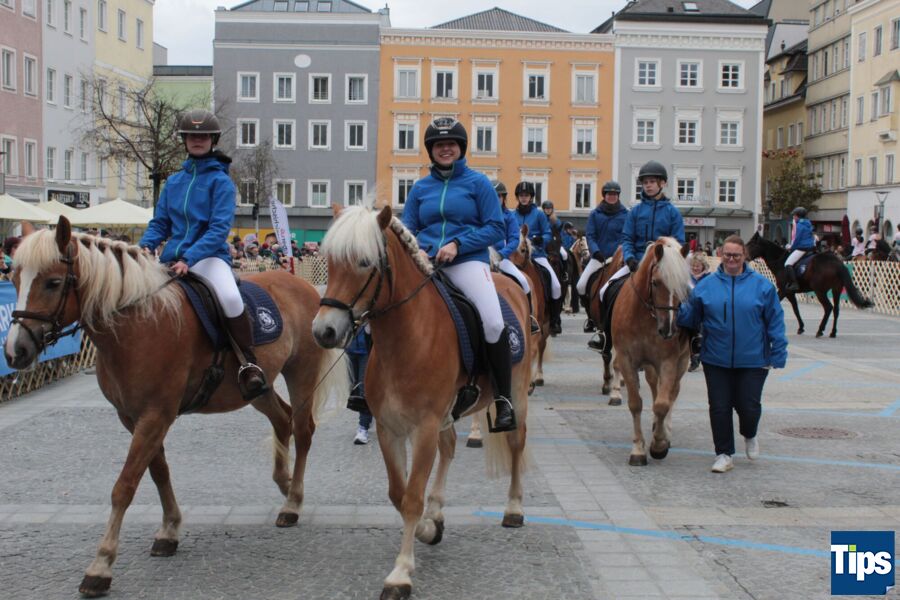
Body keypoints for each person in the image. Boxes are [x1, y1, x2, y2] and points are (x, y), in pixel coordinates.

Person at [140, 109, 268, 400]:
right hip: (172, 258)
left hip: (209, 257)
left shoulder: (221, 182)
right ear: (184, 140)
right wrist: (144, 247)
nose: (197, 140)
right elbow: (160, 223)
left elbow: (218, 228)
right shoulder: (173, 183)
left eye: (203, 136)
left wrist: (190, 258)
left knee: (231, 297)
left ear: (213, 140)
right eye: (191, 136)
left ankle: (248, 363)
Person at [401, 117, 516, 432]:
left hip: (466, 261)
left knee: (493, 322)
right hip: (425, 262)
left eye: (451, 144)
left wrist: (458, 244)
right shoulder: (420, 188)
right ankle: (367, 386)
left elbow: (496, 227)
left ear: (461, 148)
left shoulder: (478, 183)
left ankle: (503, 400)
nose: (445, 149)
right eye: (439, 145)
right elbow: (408, 226)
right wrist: (416, 248)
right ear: (431, 150)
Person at [678, 235, 787, 473]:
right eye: (727, 255)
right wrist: (677, 308)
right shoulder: (706, 286)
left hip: (753, 359)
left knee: (749, 407)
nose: (731, 259)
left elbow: (775, 321)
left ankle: (750, 433)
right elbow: (691, 318)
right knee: (719, 407)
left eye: (736, 255)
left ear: (744, 256)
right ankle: (724, 453)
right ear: (721, 255)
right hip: (716, 358)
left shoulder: (762, 286)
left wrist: (778, 351)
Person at [595, 161, 684, 351]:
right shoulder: (635, 211)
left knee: (692, 293)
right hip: (637, 263)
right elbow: (627, 238)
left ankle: (692, 339)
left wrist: (670, 263)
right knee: (605, 291)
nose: (648, 186)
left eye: (652, 182)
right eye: (645, 182)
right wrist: (629, 257)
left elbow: (679, 241)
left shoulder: (673, 213)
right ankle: (604, 335)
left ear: (662, 183)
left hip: (664, 267)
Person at [513, 182, 564, 335]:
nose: (524, 198)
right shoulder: (512, 215)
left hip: (537, 255)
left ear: (531, 197)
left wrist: (541, 239)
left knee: (556, 286)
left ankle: (554, 320)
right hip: (517, 256)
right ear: (518, 197)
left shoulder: (539, 214)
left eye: (526, 195)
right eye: (521, 195)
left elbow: (548, 233)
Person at [577, 181, 627, 334]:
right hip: (599, 257)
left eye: (614, 194)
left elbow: (626, 235)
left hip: (618, 258)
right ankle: (591, 318)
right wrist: (596, 251)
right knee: (581, 285)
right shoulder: (595, 214)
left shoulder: (626, 214)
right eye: (609, 194)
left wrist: (619, 251)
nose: (612, 196)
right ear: (604, 196)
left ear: (618, 196)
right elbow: (590, 235)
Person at [492, 180, 537, 334]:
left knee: (523, 281)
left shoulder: (509, 217)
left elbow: (514, 240)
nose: (496, 199)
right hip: (483, 257)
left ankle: (530, 318)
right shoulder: (481, 215)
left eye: (499, 196)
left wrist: (501, 254)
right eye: (493, 196)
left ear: (504, 198)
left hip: (501, 258)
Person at [346, 325, 374, 445]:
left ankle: (363, 428)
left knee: (364, 390)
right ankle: (369, 413)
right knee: (353, 389)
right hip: (349, 350)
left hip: (366, 352)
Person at [687, 253, 710, 372]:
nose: (695, 268)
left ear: (703, 266)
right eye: (693, 266)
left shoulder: (708, 278)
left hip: (704, 310)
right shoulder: (687, 278)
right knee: (690, 333)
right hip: (690, 309)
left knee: (702, 333)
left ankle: (701, 356)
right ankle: (694, 358)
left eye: (698, 266)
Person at [784, 206, 815, 292]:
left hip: (802, 248)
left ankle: (795, 284)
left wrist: (791, 247)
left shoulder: (799, 225)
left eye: (794, 215)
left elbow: (797, 239)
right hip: (811, 247)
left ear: (798, 216)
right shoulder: (808, 223)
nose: (793, 217)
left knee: (788, 263)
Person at [542, 200, 570, 283]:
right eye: (546, 209)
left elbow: (560, 233)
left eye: (549, 209)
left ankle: (564, 272)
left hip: (555, 244)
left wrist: (560, 242)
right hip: (544, 242)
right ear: (543, 209)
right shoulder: (541, 219)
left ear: (552, 209)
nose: (548, 210)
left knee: (564, 254)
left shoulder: (556, 220)